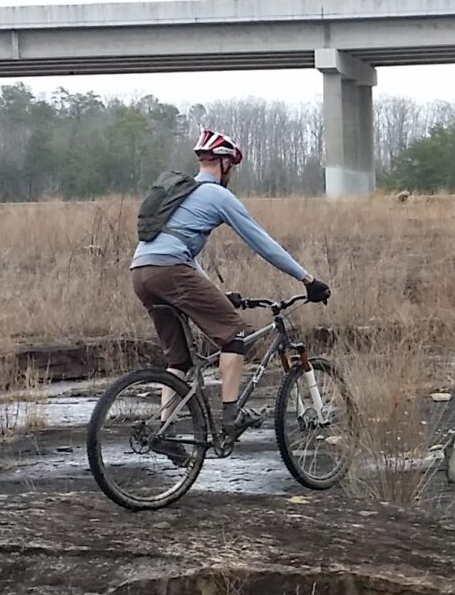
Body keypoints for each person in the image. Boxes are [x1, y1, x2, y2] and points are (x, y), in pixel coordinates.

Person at [129, 128, 331, 438]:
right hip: (169, 270)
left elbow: (180, 249)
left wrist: (215, 291)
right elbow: (262, 242)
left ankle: (162, 433)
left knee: (179, 360)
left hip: (141, 272)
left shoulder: (180, 194)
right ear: (224, 164)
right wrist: (307, 278)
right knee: (234, 334)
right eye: (232, 168)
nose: (231, 174)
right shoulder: (217, 195)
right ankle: (231, 414)